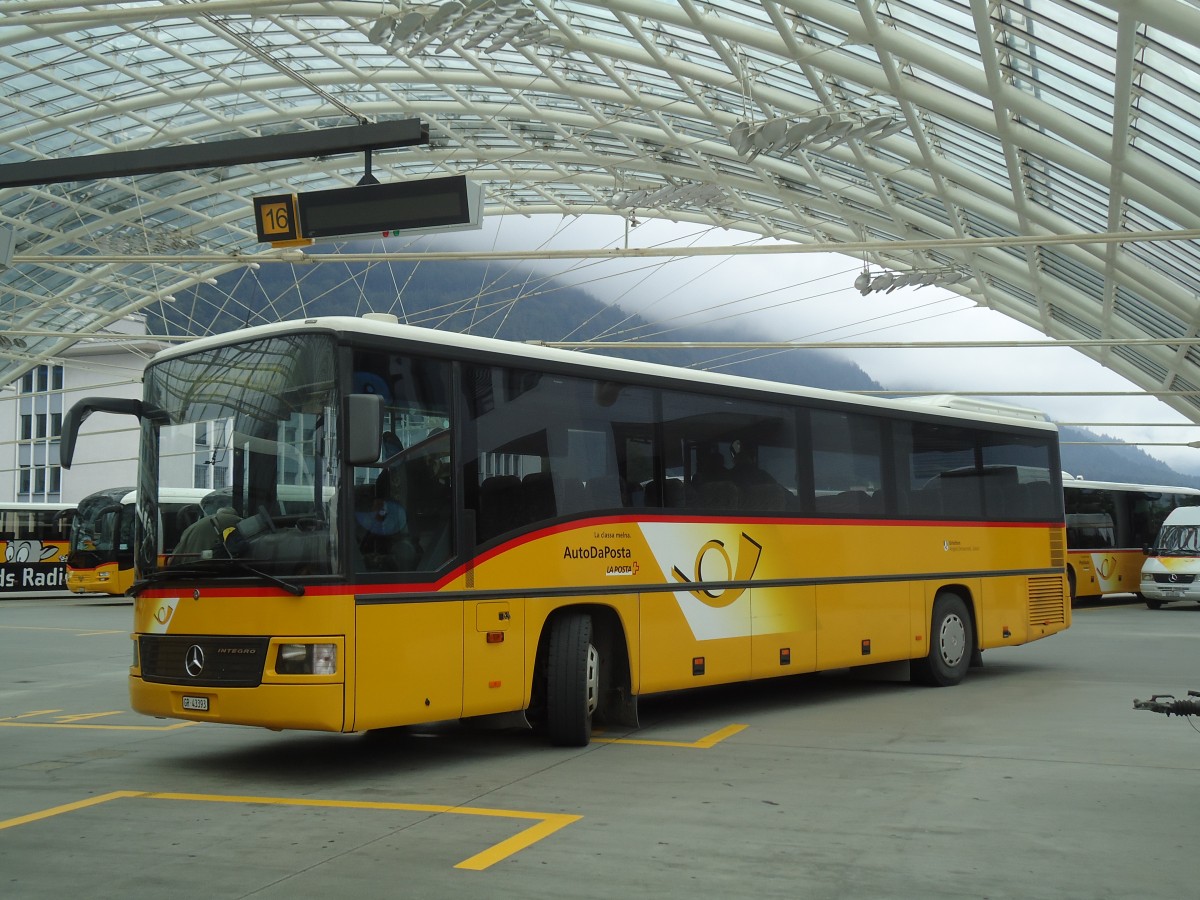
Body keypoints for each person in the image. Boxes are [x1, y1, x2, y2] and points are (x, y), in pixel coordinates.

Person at [172, 505, 240, 562]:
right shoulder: (239, 522)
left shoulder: (191, 528)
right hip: (220, 570)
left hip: (190, 570)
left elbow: (174, 558)